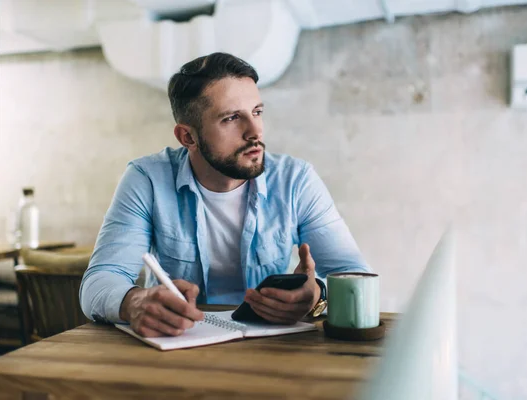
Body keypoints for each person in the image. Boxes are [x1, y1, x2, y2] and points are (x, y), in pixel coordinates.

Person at [80, 52, 370, 337]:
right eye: (231, 118)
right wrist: (134, 302)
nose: (254, 132)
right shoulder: (148, 179)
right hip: (179, 348)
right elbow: (99, 282)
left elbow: (356, 276)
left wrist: (317, 296)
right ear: (187, 137)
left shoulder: (296, 181)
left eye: (257, 112)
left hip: (271, 349)